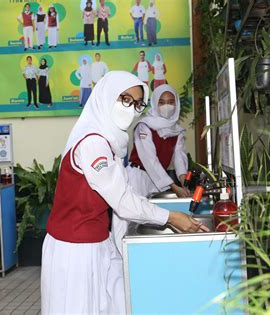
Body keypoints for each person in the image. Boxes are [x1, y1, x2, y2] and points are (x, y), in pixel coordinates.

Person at [41, 71, 208, 314]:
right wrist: (171, 218)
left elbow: (125, 192)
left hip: (97, 241)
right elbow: (121, 200)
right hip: (74, 251)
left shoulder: (111, 141)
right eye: (125, 99)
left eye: (137, 103)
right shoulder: (93, 143)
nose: (130, 109)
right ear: (106, 96)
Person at [127, 84, 191, 198]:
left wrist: (183, 182)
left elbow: (180, 159)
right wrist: (174, 187)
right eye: (161, 102)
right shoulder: (144, 126)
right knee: (135, 214)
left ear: (176, 104)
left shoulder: (177, 131)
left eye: (171, 102)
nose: (166, 106)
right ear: (155, 104)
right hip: (137, 179)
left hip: (158, 180)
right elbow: (149, 160)